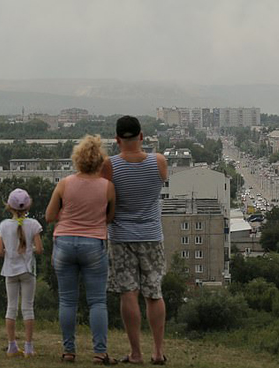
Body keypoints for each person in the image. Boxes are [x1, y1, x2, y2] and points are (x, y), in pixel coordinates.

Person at [101, 115, 168, 365]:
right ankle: (158, 352)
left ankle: (136, 353)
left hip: (121, 237)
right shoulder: (158, 162)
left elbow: (106, 199)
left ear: (117, 139)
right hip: (152, 236)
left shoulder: (109, 166)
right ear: (141, 136)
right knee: (154, 292)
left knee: (128, 293)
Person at [45, 135, 117, 365]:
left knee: (67, 301)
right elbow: (110, 217)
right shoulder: (108, 187)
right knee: (97, 301)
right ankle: (99, 352)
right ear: (100, 161)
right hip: (93, 244)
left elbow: (49, 216)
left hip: (64, 243)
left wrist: (67, 217)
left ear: (77, 159)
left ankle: (68, 351)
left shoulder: (65, 183)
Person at [0, 188, 43, 358]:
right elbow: (39, 250)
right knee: (28, 308)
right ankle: (29, 347)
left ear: (9, 206)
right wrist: (29, 248)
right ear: (27, 206)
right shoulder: (34, 225)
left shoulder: (4, 226)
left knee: (11, 308)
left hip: (10, 271)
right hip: (28, 270)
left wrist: (10, 251)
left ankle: (12, 346)